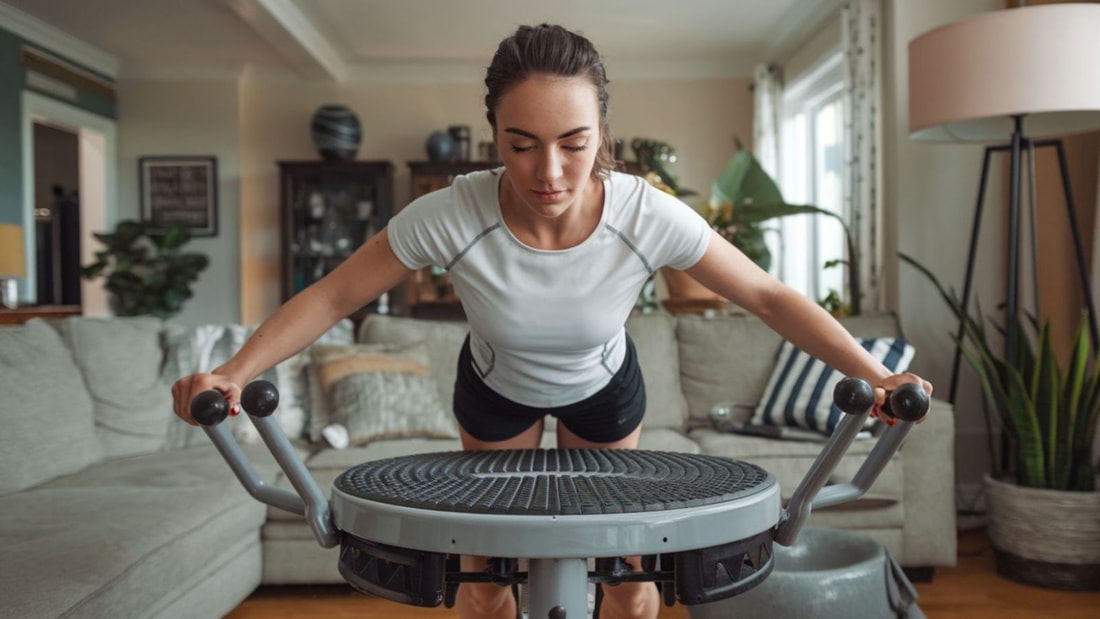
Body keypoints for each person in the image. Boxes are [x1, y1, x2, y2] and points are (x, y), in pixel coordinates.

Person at [171, 23, 932, 619]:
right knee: (482, 584)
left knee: (631, 585)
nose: (550, 173)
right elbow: (334, 295)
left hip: (605, 389)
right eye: (521, 145)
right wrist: (236, 372)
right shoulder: (453, 211)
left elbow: (767, 296)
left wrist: (876, 374)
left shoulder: (644, 212)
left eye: (574, 143)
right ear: (492, 136)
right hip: (494, 390)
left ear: (602, 130)